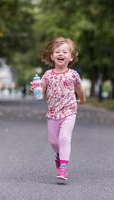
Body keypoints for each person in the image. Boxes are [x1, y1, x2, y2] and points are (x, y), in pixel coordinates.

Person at [31, 37, 86, 181]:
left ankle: (63, 168)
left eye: (65, 52)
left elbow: (79, 89)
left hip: (69, 111)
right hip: (53, 112)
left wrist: (83, 99)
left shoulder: (73, 74)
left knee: (64, 138)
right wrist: (36, 88)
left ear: (71, 57)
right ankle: (59, 155)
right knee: (53, 141)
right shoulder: (48, 75)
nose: (61, 54)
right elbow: (41, 91)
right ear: (52, 56)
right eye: (57, 51)